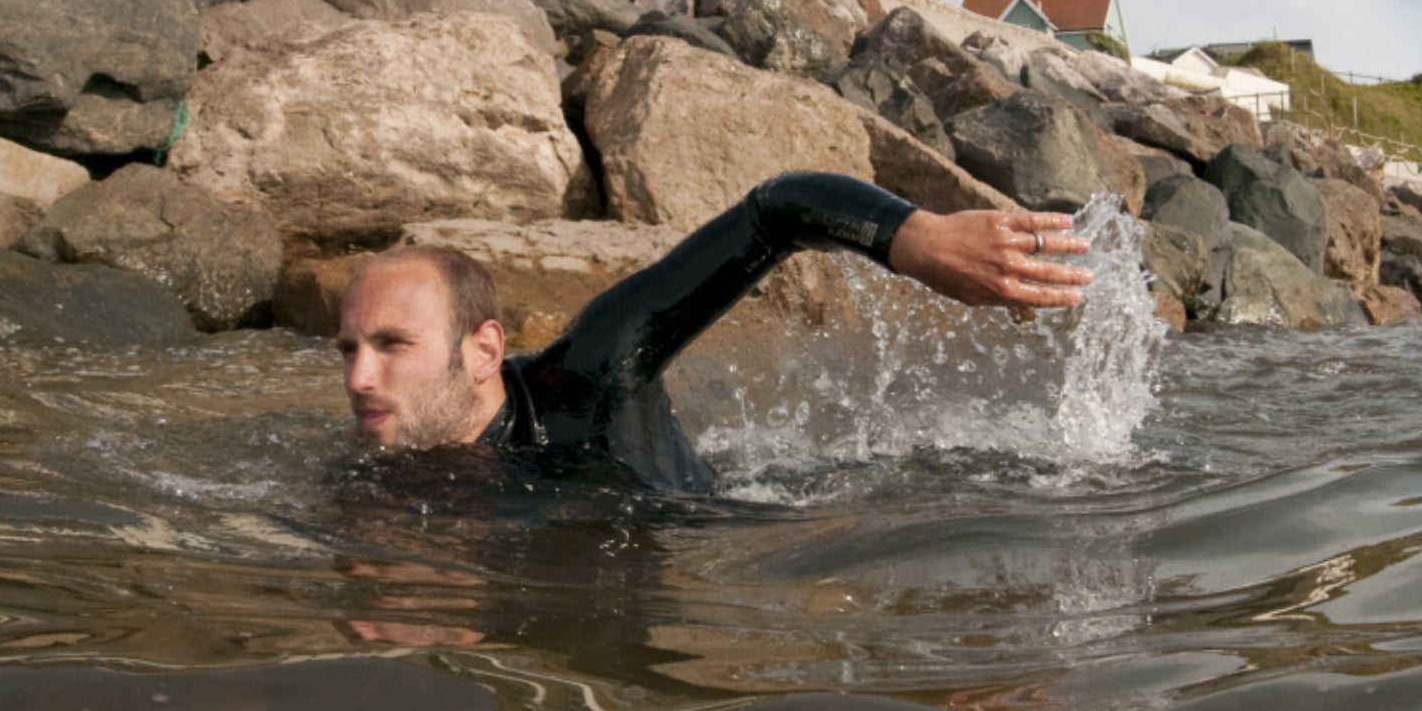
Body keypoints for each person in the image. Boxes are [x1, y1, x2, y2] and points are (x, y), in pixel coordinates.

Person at [335, 172, 1094, 495]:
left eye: (392, 345)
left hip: (730, 533)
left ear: (485, 351)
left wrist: (917, 240)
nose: (358, 379)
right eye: (350, 349)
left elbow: (776, 210)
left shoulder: (589, 374)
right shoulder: (381, 461)